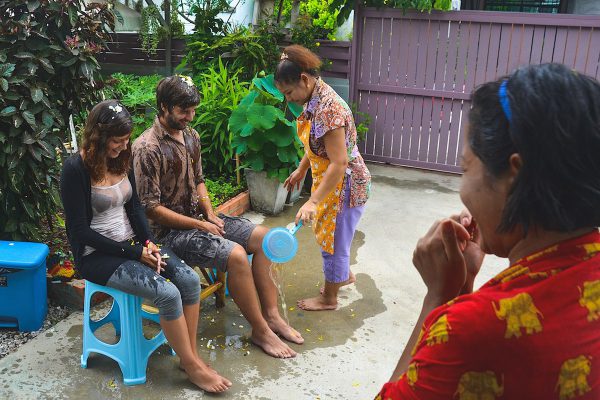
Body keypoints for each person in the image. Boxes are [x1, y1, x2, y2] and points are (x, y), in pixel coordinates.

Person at [377, 63, 600, 399]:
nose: (462, 189)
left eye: (466, 167)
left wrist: (438, 299)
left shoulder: (468, 331)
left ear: (514, 175)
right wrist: (465, 284)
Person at [60, 100, 231, 393]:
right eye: (116, 141)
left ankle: (188, 356)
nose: (122, 147)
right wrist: (136, 252)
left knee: (189, 281)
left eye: (126, 140)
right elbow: (80, 232)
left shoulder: (120, 159)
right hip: (97, 255)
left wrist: (148, 243)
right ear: (98, 138)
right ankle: (192, 367)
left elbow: (136, 207)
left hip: (132, 244)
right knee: (166, 294)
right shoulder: (75, 169)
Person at [131, 75, 303, 359]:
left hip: (198, 218)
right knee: (236, 255)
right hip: (167, 234)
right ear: (163, 107)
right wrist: (200, 224)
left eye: (193, 110)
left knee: (264, 238)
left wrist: (209, 212)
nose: (190, 116)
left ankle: (271, 315)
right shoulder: (146, 148)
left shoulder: (191, 136)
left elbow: (198, 180)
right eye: (183, 111)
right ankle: (260, 330)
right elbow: (150, 208)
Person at [274, 45, 371, 311]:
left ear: (304, 79)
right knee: (337, 236)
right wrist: (302, 169)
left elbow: (339, 163)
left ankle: (329, 298)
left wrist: (313, 202)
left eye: (289, 92)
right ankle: (343, 276)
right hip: (333, 180)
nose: (288, 99)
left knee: (334, 239)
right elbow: (319, 145)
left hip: (345, 184)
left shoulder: (329, 109)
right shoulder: (313, 99)